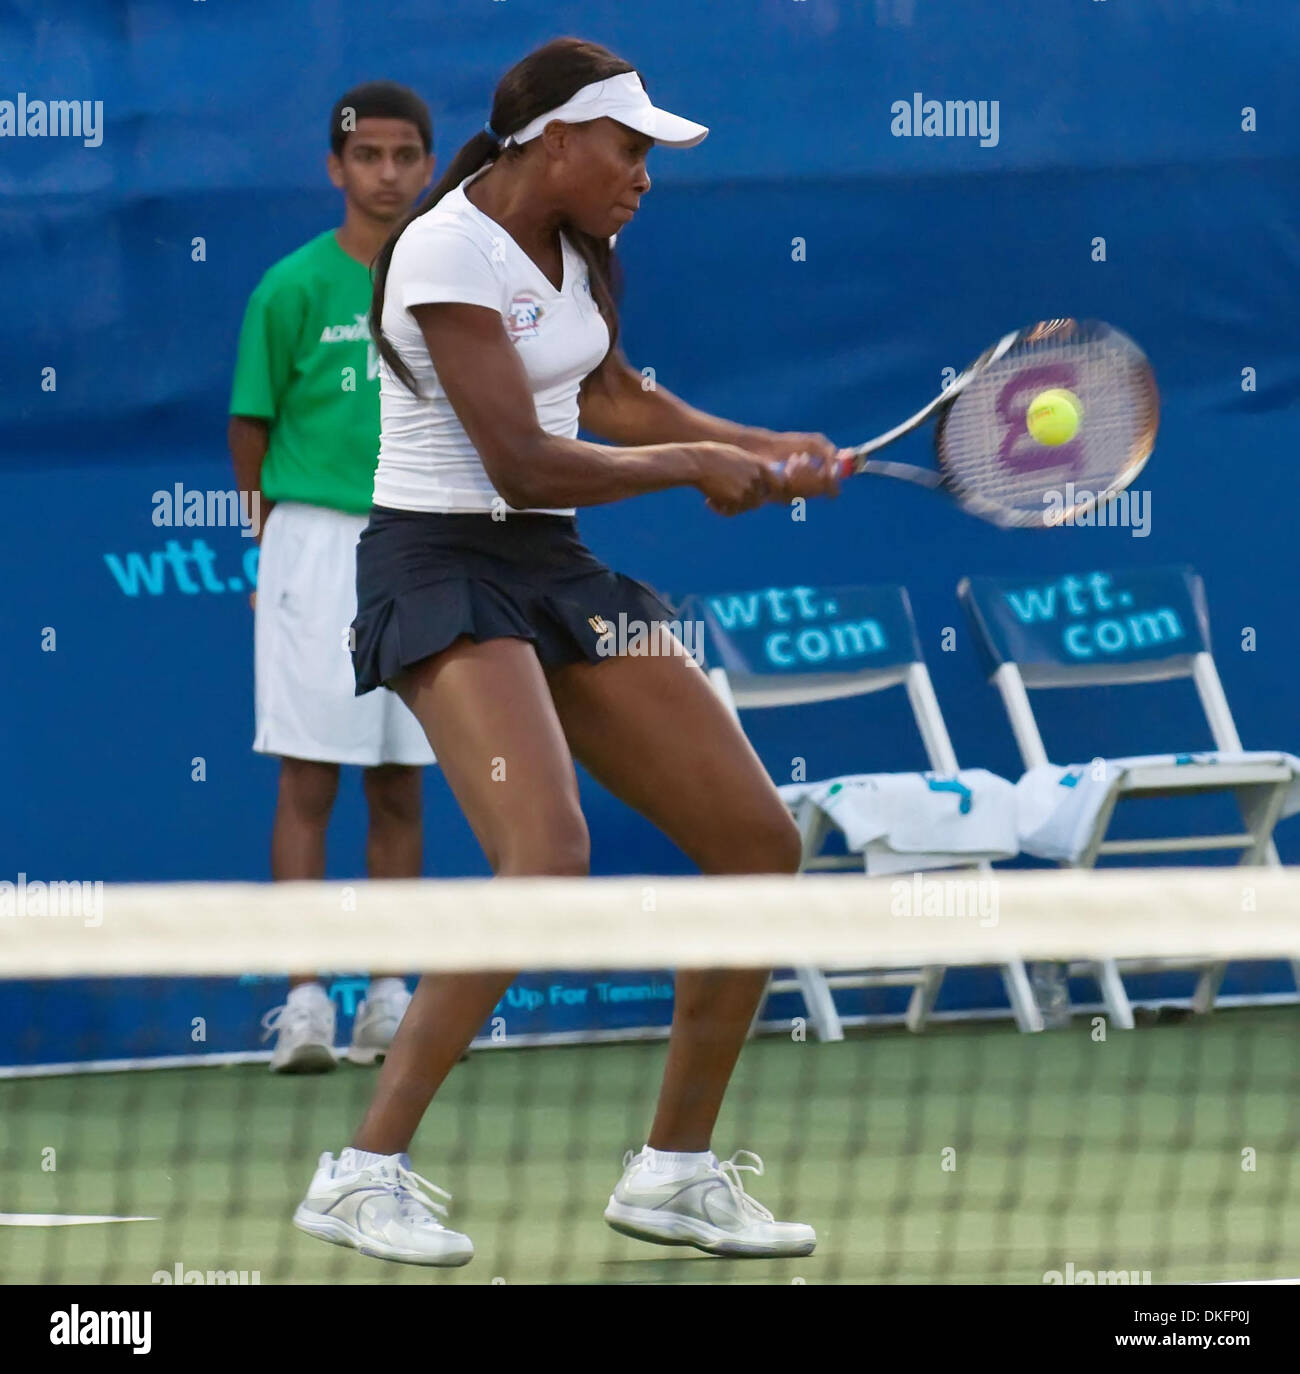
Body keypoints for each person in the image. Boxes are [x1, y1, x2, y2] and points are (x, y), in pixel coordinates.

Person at [292, 38, 841, 1264]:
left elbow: (612, 400)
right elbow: (522, 458)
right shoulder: (440, 248)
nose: (644, 174)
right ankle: (360, 1170)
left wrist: (759, 442)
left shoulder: (585, 249)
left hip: (552, 569)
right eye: (628, 147)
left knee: (756, 841)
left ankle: (675, 1173)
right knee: (544, 851)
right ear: (551, 138)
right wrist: (696, 468)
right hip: (439, 564)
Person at [228, 83, 437, 1073]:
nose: (386, 174)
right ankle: (305, 1001)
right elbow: (249, 429)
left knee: (398, 784)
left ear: (428, 167)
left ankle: (390, 998)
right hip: (314, 545)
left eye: (405, 156)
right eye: (368, 157)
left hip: (418, 543)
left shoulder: (446, 282)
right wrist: (263, 548)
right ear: (336, 168)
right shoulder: (289, 288)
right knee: (309, 775)